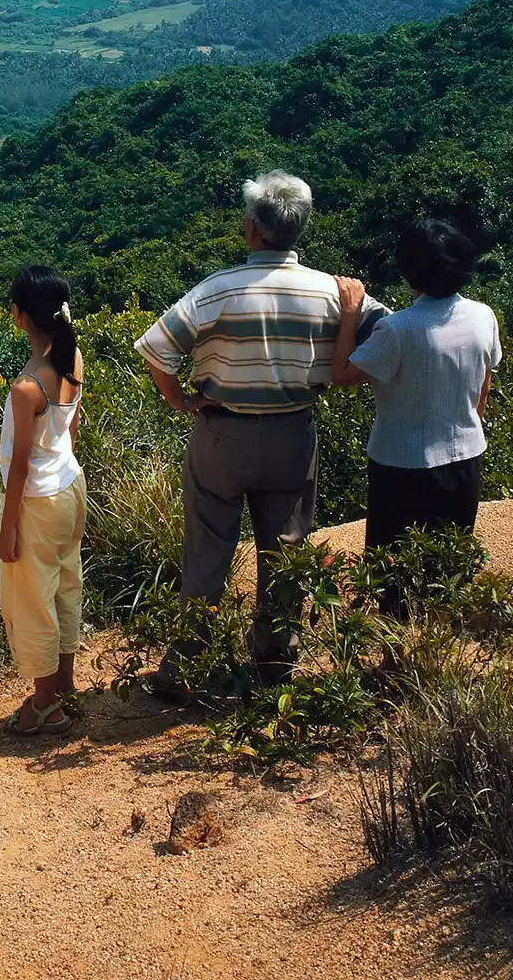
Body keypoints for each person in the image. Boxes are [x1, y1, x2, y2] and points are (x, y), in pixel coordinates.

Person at [134, 171, 386, 695]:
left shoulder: (216, 291)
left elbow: (158, 351)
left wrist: (180, 398)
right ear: (300, 228)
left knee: (208, 548)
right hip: (293, 431)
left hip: (222, 434)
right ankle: (276, 663)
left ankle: (187, 666)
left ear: (252, 229)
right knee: (286, 549)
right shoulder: (331, 292)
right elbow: (391, 338)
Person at [331, 218, 501, 554]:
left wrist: (350, 313)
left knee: (395, 570)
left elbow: (342, 375)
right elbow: (484, 380)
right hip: (465, 460)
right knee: (449, 565)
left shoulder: (396, 329)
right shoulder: (484, 316)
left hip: (401, 467)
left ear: (408, 269)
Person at [0, 265, 88, 735]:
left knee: (33, 599)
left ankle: (44, 706)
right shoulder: (73, 360)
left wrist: (8, 526)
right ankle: (65, 683)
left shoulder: (26, 387)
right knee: (66, 585)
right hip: (71, 487)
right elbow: (71, 427)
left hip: (38, 501)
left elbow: (20, 466)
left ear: (19, 315)